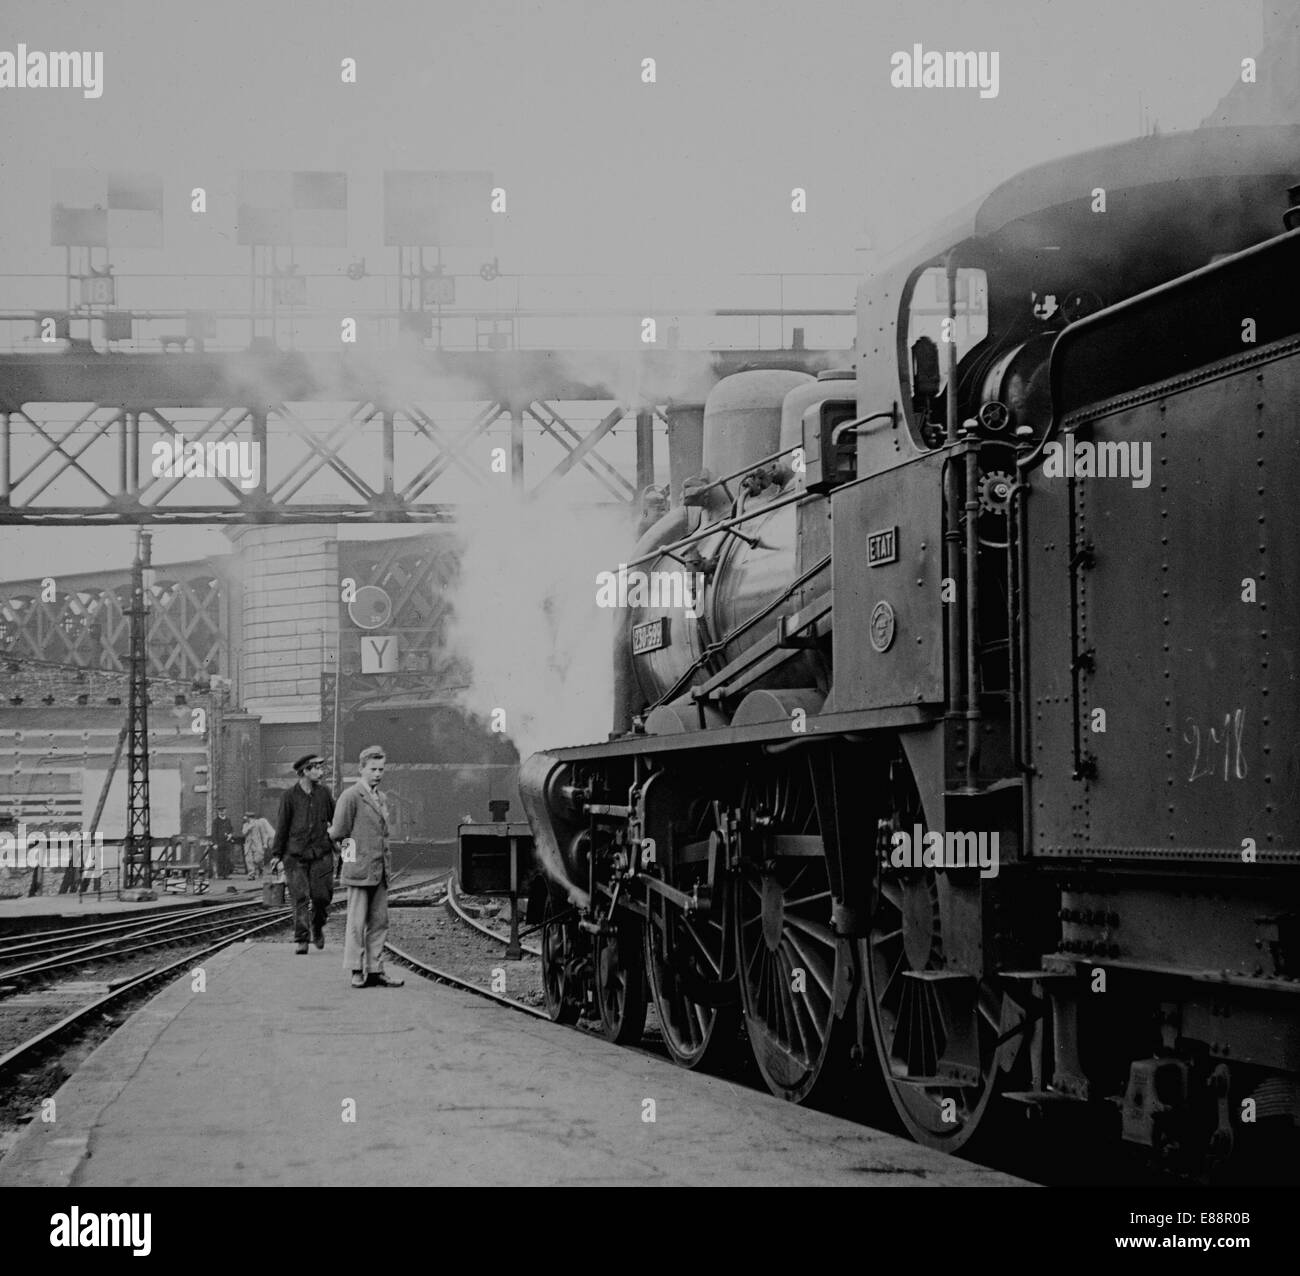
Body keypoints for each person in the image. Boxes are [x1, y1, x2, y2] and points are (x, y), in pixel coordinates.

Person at [329, 745, 403, 989]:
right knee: (357, 924)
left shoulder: (381, 797)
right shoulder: (350, 796)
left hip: (380, 871)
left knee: (380, 922)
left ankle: (375, 970)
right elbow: (339, 833)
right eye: (373, 769)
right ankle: (356, 970)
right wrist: (352, 862)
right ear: (361, 769)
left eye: (381, 769)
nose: (378, 774)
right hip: (360, 871)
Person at [274, 754, 336, 956]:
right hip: (295, 855)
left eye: (320, 767)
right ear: (305, 771)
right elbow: (282, 826)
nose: (321, 771)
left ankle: (317, 926)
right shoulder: (289, 796)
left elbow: (336, 822)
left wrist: (345, 847)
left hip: (321, 853)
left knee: (322, 896)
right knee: (300, 896)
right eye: (316, 768)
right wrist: (276, 854)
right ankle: (302, 938)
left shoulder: (325, 794)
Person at [242, 811, 276, 879]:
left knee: (258, 859)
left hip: (257, 844)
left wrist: (265, 844)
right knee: (249, 860)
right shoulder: (245, 825)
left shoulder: (258, 824)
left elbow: (263, 834)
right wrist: (249, 827)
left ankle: (261, 869)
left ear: (250, 818)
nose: (246, 819)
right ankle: (251, 874)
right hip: (248, 845)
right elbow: (244, 832)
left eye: (247, 818)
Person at [210, 805, 235, 879]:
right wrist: (214, 843)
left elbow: (231, 829)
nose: (222, 812)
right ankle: (220, 874)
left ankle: (226, 875)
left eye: (223, 810)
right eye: (220, 810)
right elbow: (214, 833)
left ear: (225, 811)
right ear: (218, 812)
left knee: (227, 858)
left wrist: (230, 835)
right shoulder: (215, 821)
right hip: (219, 842)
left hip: (227, 843)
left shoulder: (228, 820)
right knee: (220, 858)